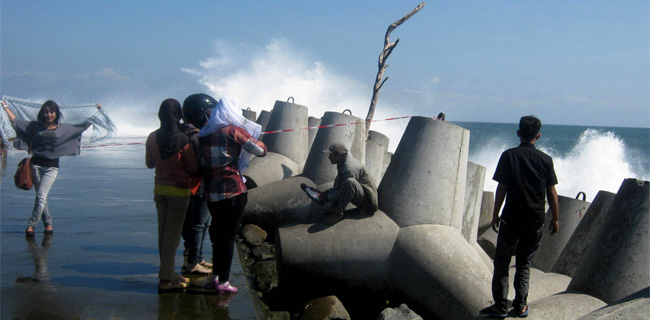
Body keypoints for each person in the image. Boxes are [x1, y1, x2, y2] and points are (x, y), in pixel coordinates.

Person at [479, 115, 559, 318]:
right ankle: (521, 305)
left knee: (502, 261)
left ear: (518, 133)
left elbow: (502, 188)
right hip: (535, 220)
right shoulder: (545, 160)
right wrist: (555, 218)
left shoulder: (509, 156)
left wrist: (495, 213)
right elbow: (552, 192)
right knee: (524, 263)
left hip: (511, 218)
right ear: (538, 135)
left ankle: (500, 305)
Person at [2, 99, 102, 236]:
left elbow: (82, 127)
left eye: (51, 112)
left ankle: (31, 225)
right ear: (42, 114)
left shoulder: (63, 128)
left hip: (51, 168)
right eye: (46, 112)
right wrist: (5, 107)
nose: (48, 115)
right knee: (41, 197)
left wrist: (95, 112)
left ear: (56, 113)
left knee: (41, 196)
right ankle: (48, 224)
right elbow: (16, 122)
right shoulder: (35, 126)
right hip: (35, 165)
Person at [199, 96, 267, 295]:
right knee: (228, 237)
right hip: (233, 191)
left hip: (212, 193)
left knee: (217, 236)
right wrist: (260, 142)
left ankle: (216, 277)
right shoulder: (233, 131)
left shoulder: (204, 133)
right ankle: (224, 281)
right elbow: (260, 151)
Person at [145, 98, 198, 292]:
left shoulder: (152, 137)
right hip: (179, 191)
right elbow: (192, 167)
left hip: (160, 190)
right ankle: (167, 278)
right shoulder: (183, 140)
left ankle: (167, 273)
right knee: (172, 236)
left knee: (163, 232)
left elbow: (149, 163)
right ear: (178, 115)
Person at [179, 93, 217, 275]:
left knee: (193, 223)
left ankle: (196, 257)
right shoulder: (195, 135)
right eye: (209, 113)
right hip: (198, 184)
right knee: (199, 224)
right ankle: (194, 261)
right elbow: (199, 164)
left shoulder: (181, 130)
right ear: (200, 114)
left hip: (186, 184)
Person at [316, 142, 378, 225]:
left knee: (350, 182)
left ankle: (338, 213)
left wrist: (327, 197)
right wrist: (327, 192)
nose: (329, 157)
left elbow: (343, 191)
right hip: (360, 193)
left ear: (338, 155)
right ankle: (334, 207)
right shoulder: (342, 161)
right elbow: (339, 184)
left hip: (368, 203)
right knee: (339, 179)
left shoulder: (350, 168)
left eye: (331, 155)